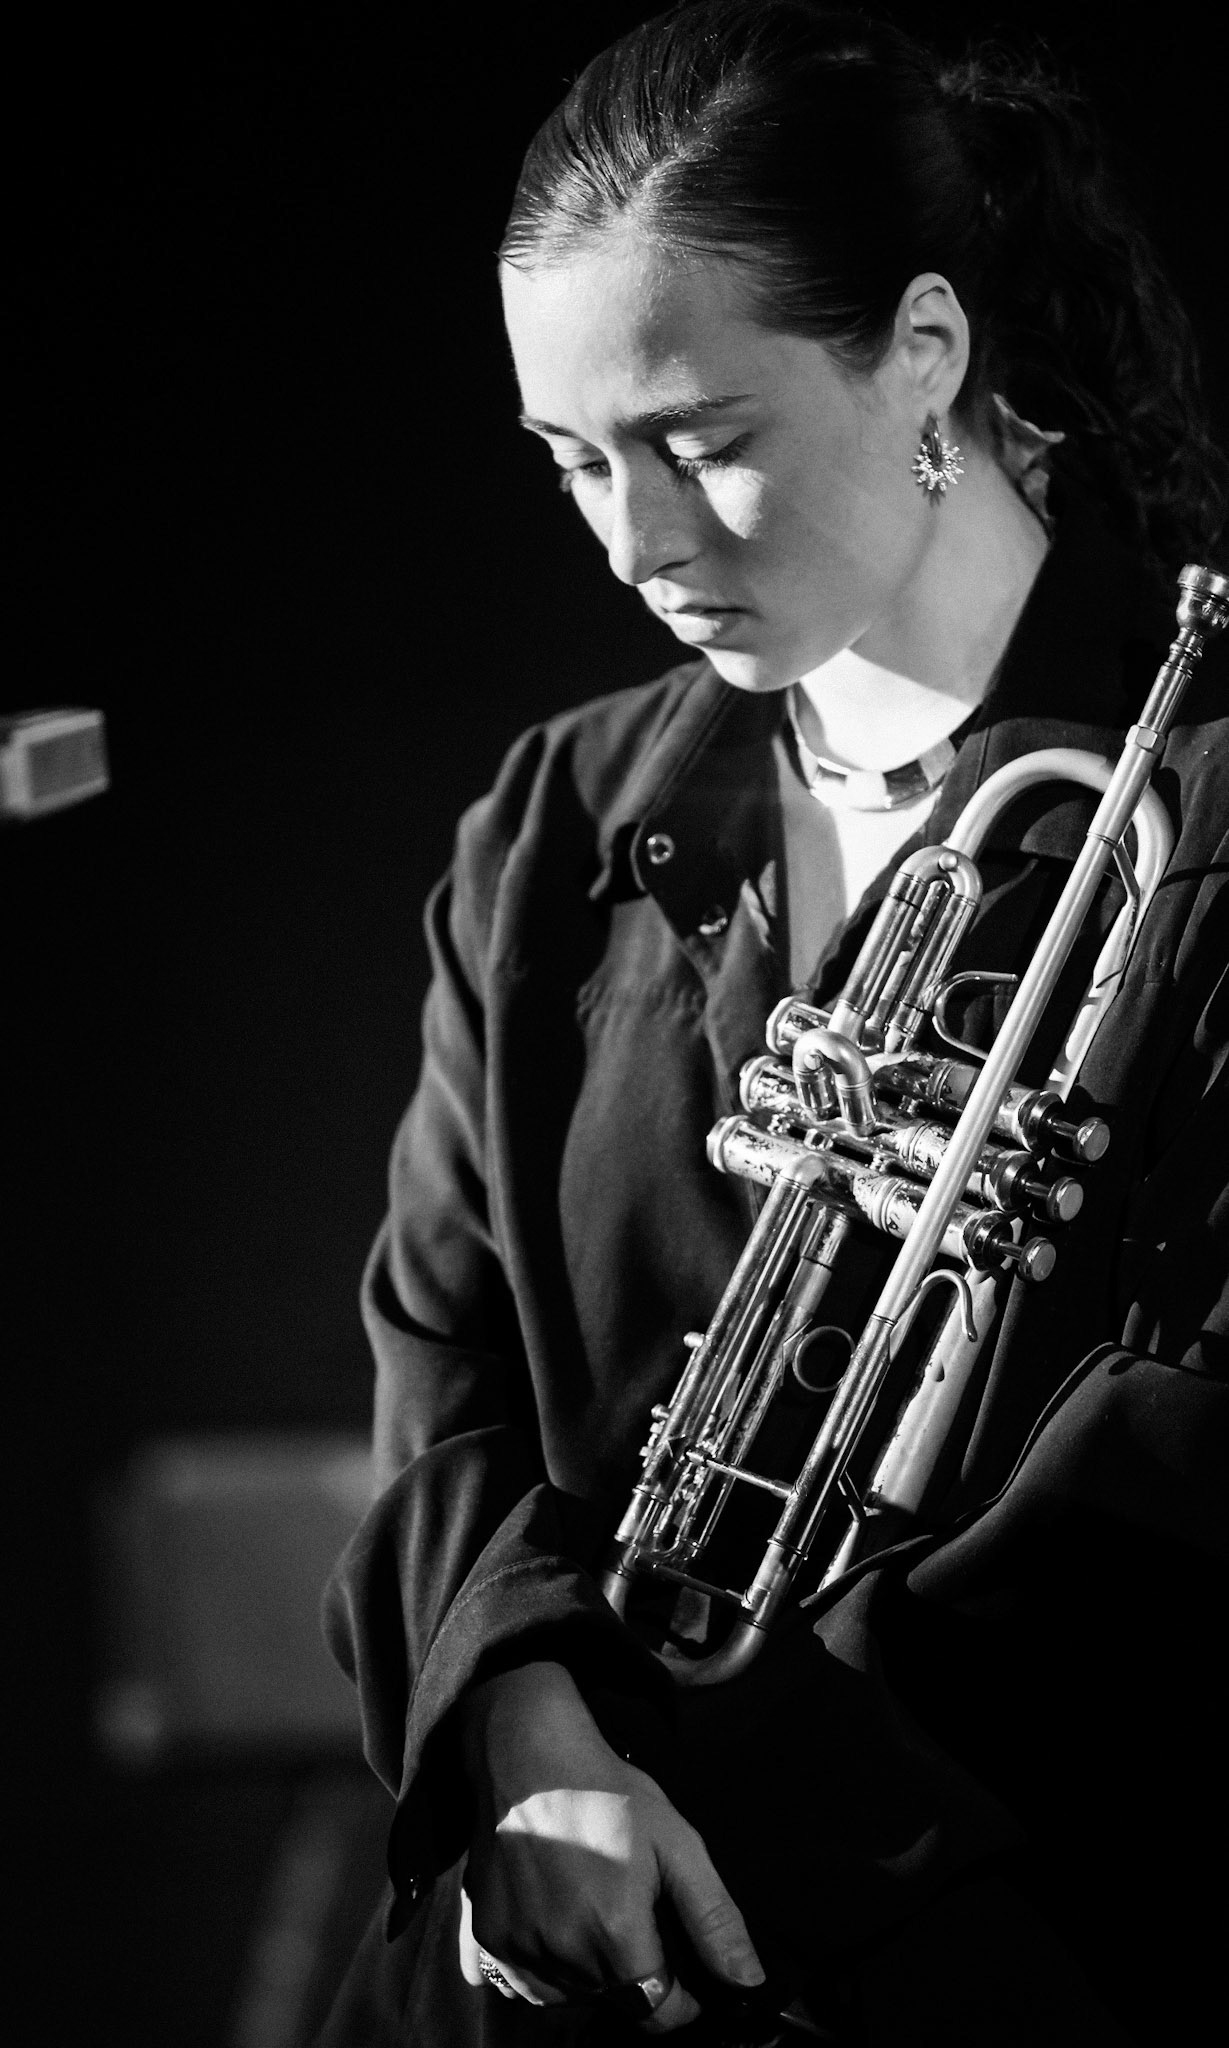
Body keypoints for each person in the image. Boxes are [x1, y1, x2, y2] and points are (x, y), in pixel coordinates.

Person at [319, 4, 1227, 2042]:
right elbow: (435, 1369)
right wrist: (531, 1743)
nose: (636, 547)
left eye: (702, 443)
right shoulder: (561, 820)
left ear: (923, 350)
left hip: (1019, 1932)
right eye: (573, 463)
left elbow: (1173, 1479)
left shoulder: (1203, 807)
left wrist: (717, 1808)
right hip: (545, 1916)